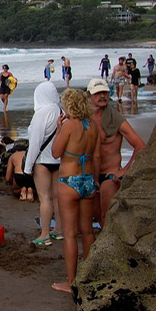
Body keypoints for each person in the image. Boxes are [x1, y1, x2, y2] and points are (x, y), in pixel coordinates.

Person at [51, 89, 99, 293]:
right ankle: (88, 277)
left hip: (69, 180)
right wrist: (95, 180)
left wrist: (59, 129)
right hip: (87, 179)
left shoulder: (69, 125)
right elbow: (96, 157)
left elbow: (55, 152)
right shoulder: (92, 126)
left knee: (70, 234)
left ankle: (71, 282)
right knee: (87, 231)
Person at [86, 79, 146, 226]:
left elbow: (140, 145)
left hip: (109, 175)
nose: (102, 96)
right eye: (98, 93)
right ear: (89, 96)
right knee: (95, 217)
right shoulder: (83, 119)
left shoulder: (115, 118)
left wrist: (124, 170)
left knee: (107, 216)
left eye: (105, 92)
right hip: (88, 176)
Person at [24, 82, 62, 246]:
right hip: (59, 160)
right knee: (57, 197)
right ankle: (59, 230)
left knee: (45, 198)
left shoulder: (41, 113)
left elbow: (35, 142)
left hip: (43, 161)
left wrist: (27, 167)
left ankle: (45, 234)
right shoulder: (61, 111)